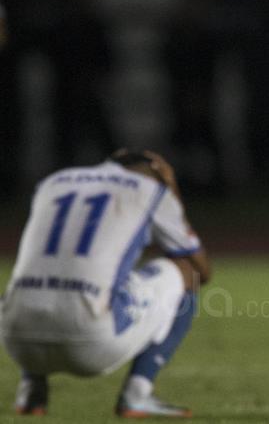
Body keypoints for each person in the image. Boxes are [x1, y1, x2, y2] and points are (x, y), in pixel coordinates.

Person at [0, 150, 211, 417]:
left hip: (16, 340)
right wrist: (171, 190)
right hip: (90, 341)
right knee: (186, 272)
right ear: (156, 169)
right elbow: (202, 269)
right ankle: (137, 393)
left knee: (40, 282)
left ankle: (31, 391)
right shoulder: (149, 188)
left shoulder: (53, 182)